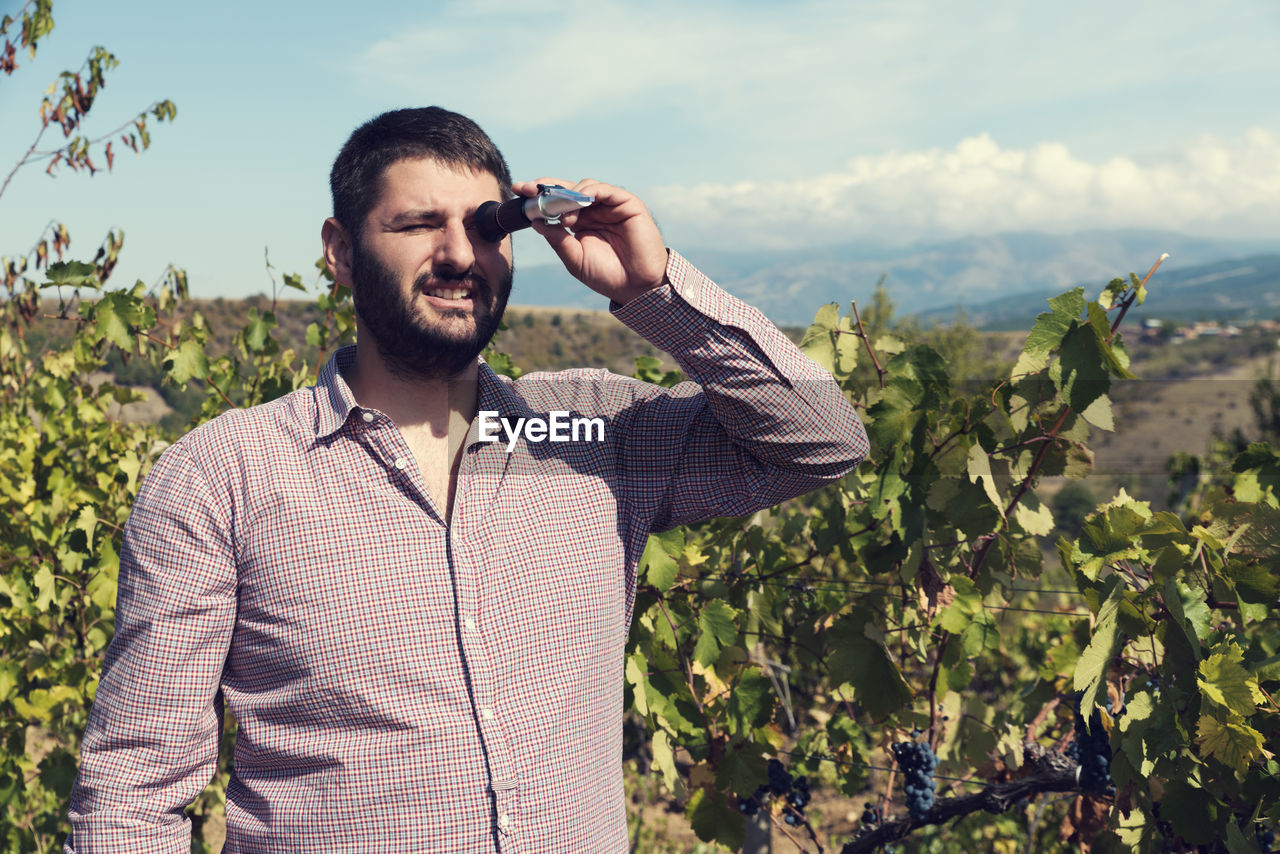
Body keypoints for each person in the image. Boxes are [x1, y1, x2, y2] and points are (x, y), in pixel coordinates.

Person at [66, 106, 869, 853]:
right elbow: (130, 795)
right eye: (418, 224)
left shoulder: (595, 431)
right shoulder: (223, 476)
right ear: (340, 252)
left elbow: (822, 440)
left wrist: (652, 288)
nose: (458, 254)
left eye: (486, 227)